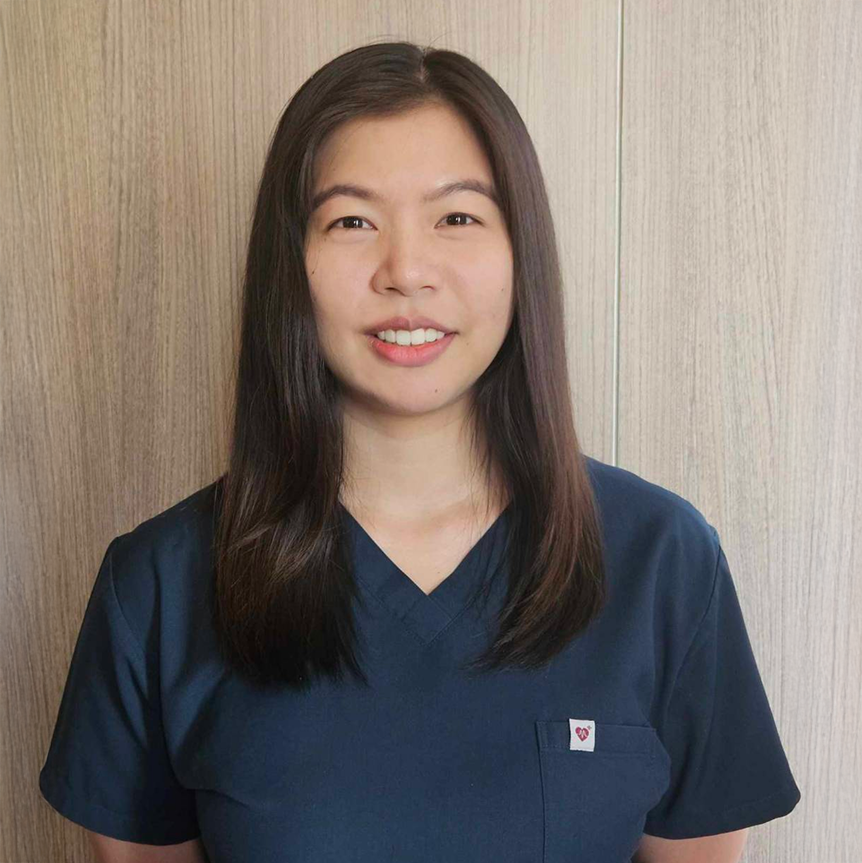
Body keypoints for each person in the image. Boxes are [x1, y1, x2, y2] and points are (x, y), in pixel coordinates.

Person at [38, 41, 800, 862]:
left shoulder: (663, 563)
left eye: (457, 218)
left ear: (521, 253)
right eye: (352, 221)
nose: (406, 270)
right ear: (288, 265)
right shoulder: (159, 587)